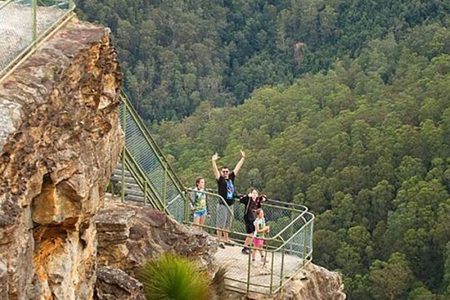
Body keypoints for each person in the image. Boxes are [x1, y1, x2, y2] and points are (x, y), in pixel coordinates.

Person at [212, 150, 245, 248]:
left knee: (227, 223)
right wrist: (213, 161)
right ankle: (219, 239)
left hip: (230, 203)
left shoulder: (231, 177)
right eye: (224, 172)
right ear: (222, 173)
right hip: (223, 204)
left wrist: (243, 158)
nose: (226, 173)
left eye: (227, 171)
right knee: (221, 222)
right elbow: (215, 171)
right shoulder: (220, 180)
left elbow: (237, 168)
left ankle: (226, 239)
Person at [239, 189, 267, 254]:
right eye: (253, 193)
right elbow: (241, 200)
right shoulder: (248, 199)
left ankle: (248, 246)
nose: (254, 194)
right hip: (248, 218)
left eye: (255, 193)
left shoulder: (258, 200)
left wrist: (263, 197)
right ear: (251, 194)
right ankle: (245, 248)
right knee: (250, 233)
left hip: (255, 219)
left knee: (253, 233)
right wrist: (247, 196)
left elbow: (265, 198)